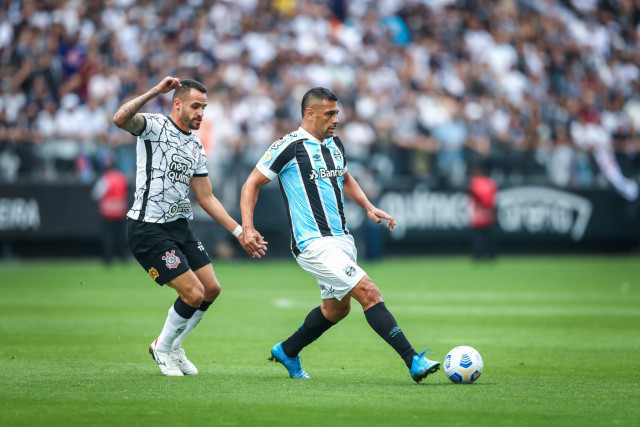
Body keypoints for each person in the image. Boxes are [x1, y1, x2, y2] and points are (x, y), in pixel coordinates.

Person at [240, 87, 440, 382]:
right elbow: (251, 184)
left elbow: (344, 177)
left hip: (342, 240)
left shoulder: (334, 144)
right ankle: (413, 359)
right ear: (310, 113)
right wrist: (248, 228)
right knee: (369, 292)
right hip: (312, 243)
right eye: (329, 114)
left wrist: (369, 206)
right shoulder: (290, 146)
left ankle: (288, 350)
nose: (336, 119)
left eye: (337, 113)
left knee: (337, 309)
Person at [112, 77, 266, 376]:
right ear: (177, 103)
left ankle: (173, 345)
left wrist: (240, 232)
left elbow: (207, 197)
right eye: (195, 106)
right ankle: (163, 349)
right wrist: (155, 90)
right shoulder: (154, 126)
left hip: (179, 226)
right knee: (193, 293)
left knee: (211, 289)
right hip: (148, 227)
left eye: (204, 107)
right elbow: (120, 119)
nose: (201, 113)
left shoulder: (195, 144)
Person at [91, 161, 129, 265]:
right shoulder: (122, 177)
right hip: (120, 209)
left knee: (108, 236)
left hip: (107, 211)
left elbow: (96, 194)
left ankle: (108, 258)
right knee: (121, 235)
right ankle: (124, 257)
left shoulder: (105, 178)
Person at [468, 166, 498, 260]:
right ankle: (491, 255)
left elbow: (474, 197)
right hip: (489, 212)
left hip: (479, 213)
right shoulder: (490, 182)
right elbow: (494, 197)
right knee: (488, 235)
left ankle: (478, 255)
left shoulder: (475, 183)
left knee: (478, 236)